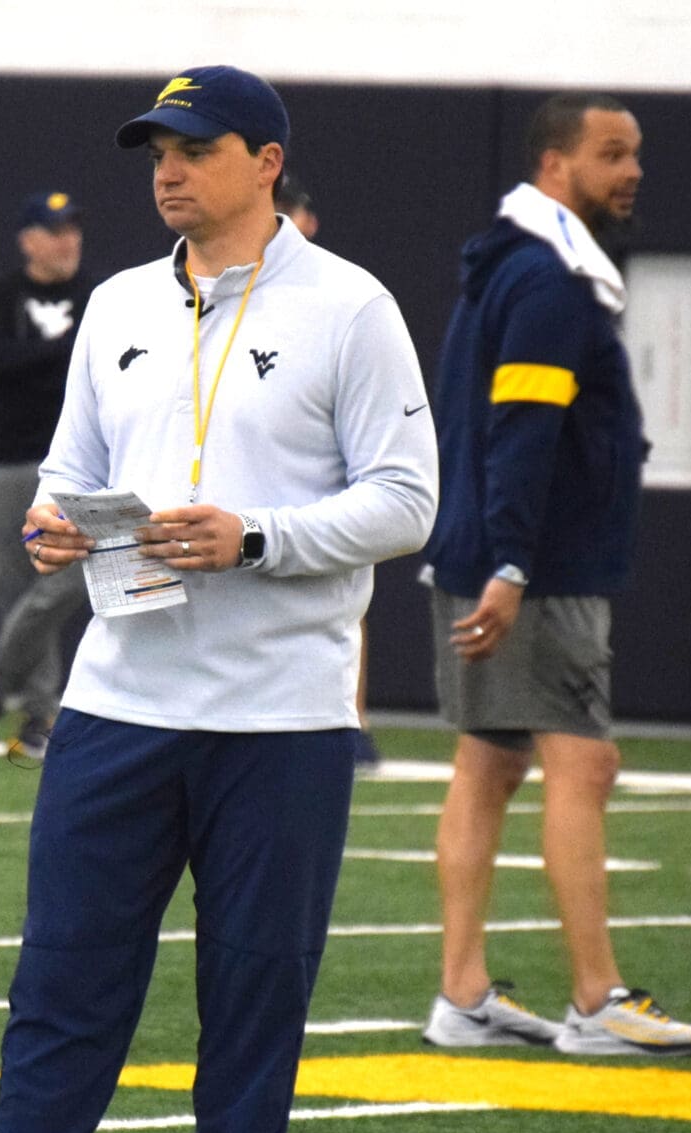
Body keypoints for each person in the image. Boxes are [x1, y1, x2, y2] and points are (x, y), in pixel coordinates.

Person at [0, 65, 437, 1133]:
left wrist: (253, 538)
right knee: (61, 984)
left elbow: (407, 503)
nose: (165, 169)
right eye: (155, 149)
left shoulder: (350, 307)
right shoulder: (121, 302)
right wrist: (53, 526)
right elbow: (68, 474)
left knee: (253, 998)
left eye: (194, 146)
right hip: (115, 705)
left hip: (281, 722)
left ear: (266, 160)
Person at [418, 92, 691, 1056]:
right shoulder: (549, 280)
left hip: (493, 554)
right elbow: (525, 426)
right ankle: (597, 1001)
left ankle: (463, 994)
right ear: (557, 165)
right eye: (611, 153)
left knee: (489, 761)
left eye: (635, 154)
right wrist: (512, 561)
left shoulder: (512, 267)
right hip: (534, 570)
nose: (631, 171)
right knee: (582, 761)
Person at [0, 191, 92, 763]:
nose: (68, 241)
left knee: (70, 579)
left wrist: (39, 358)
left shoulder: (96, 296)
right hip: (9, 460)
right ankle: (41, 718)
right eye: (55, 231)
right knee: (19, 593)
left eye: (73, 230)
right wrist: (59, 353)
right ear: (28, 239)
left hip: (77, 466)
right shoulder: (0, 295)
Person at [272, 171, 384, 770]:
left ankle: (350, 718)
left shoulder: (344, 298)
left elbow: (399, 497)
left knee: (341, 601)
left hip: (314, 505)